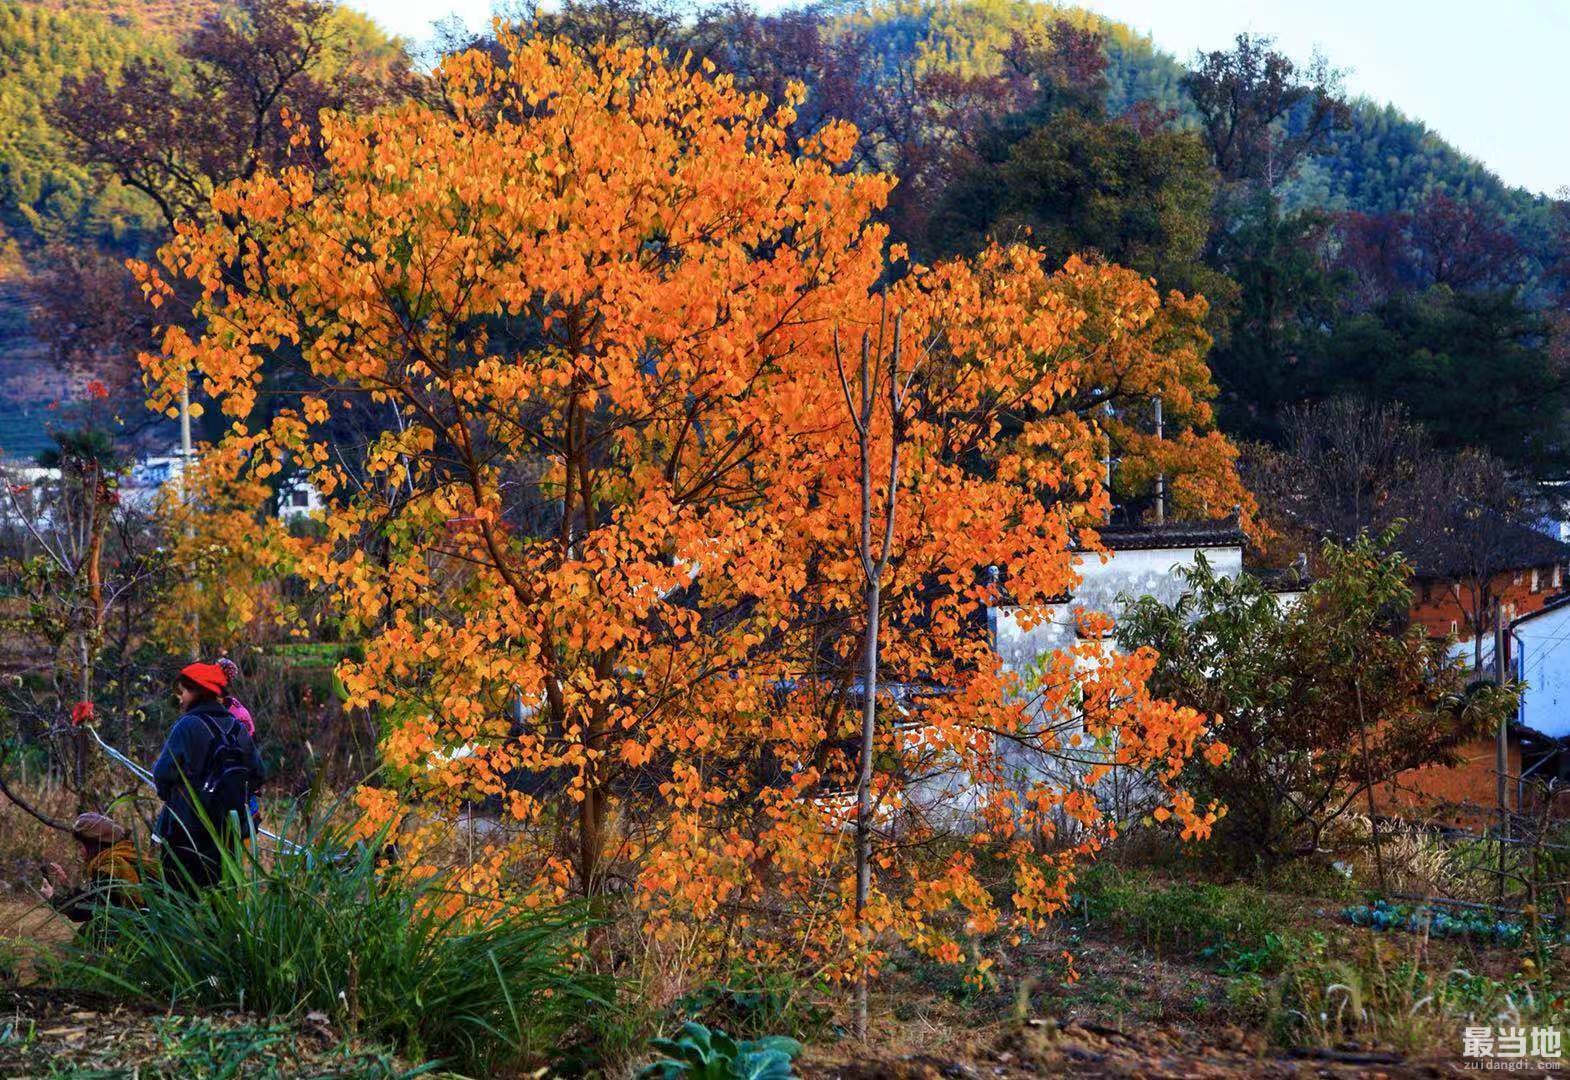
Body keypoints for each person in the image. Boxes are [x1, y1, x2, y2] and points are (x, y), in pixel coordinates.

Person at [152, 661, 265, 891]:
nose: (180, 698)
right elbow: (259, 773)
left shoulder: (188, 725)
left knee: (180, 901)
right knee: (221, 900)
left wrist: (173, 796)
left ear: (197, 692)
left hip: (187, 833)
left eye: (182, 692)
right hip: (228, 834)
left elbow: (162, 774)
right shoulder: (237, 727)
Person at [39, 812, 147, 923]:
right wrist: (66, 884)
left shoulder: (109, 868)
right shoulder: (126, 854)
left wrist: (53, 897)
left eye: (80, 846)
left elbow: (89, 912)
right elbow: (94, 900)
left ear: (92, 846)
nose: (79, 852)